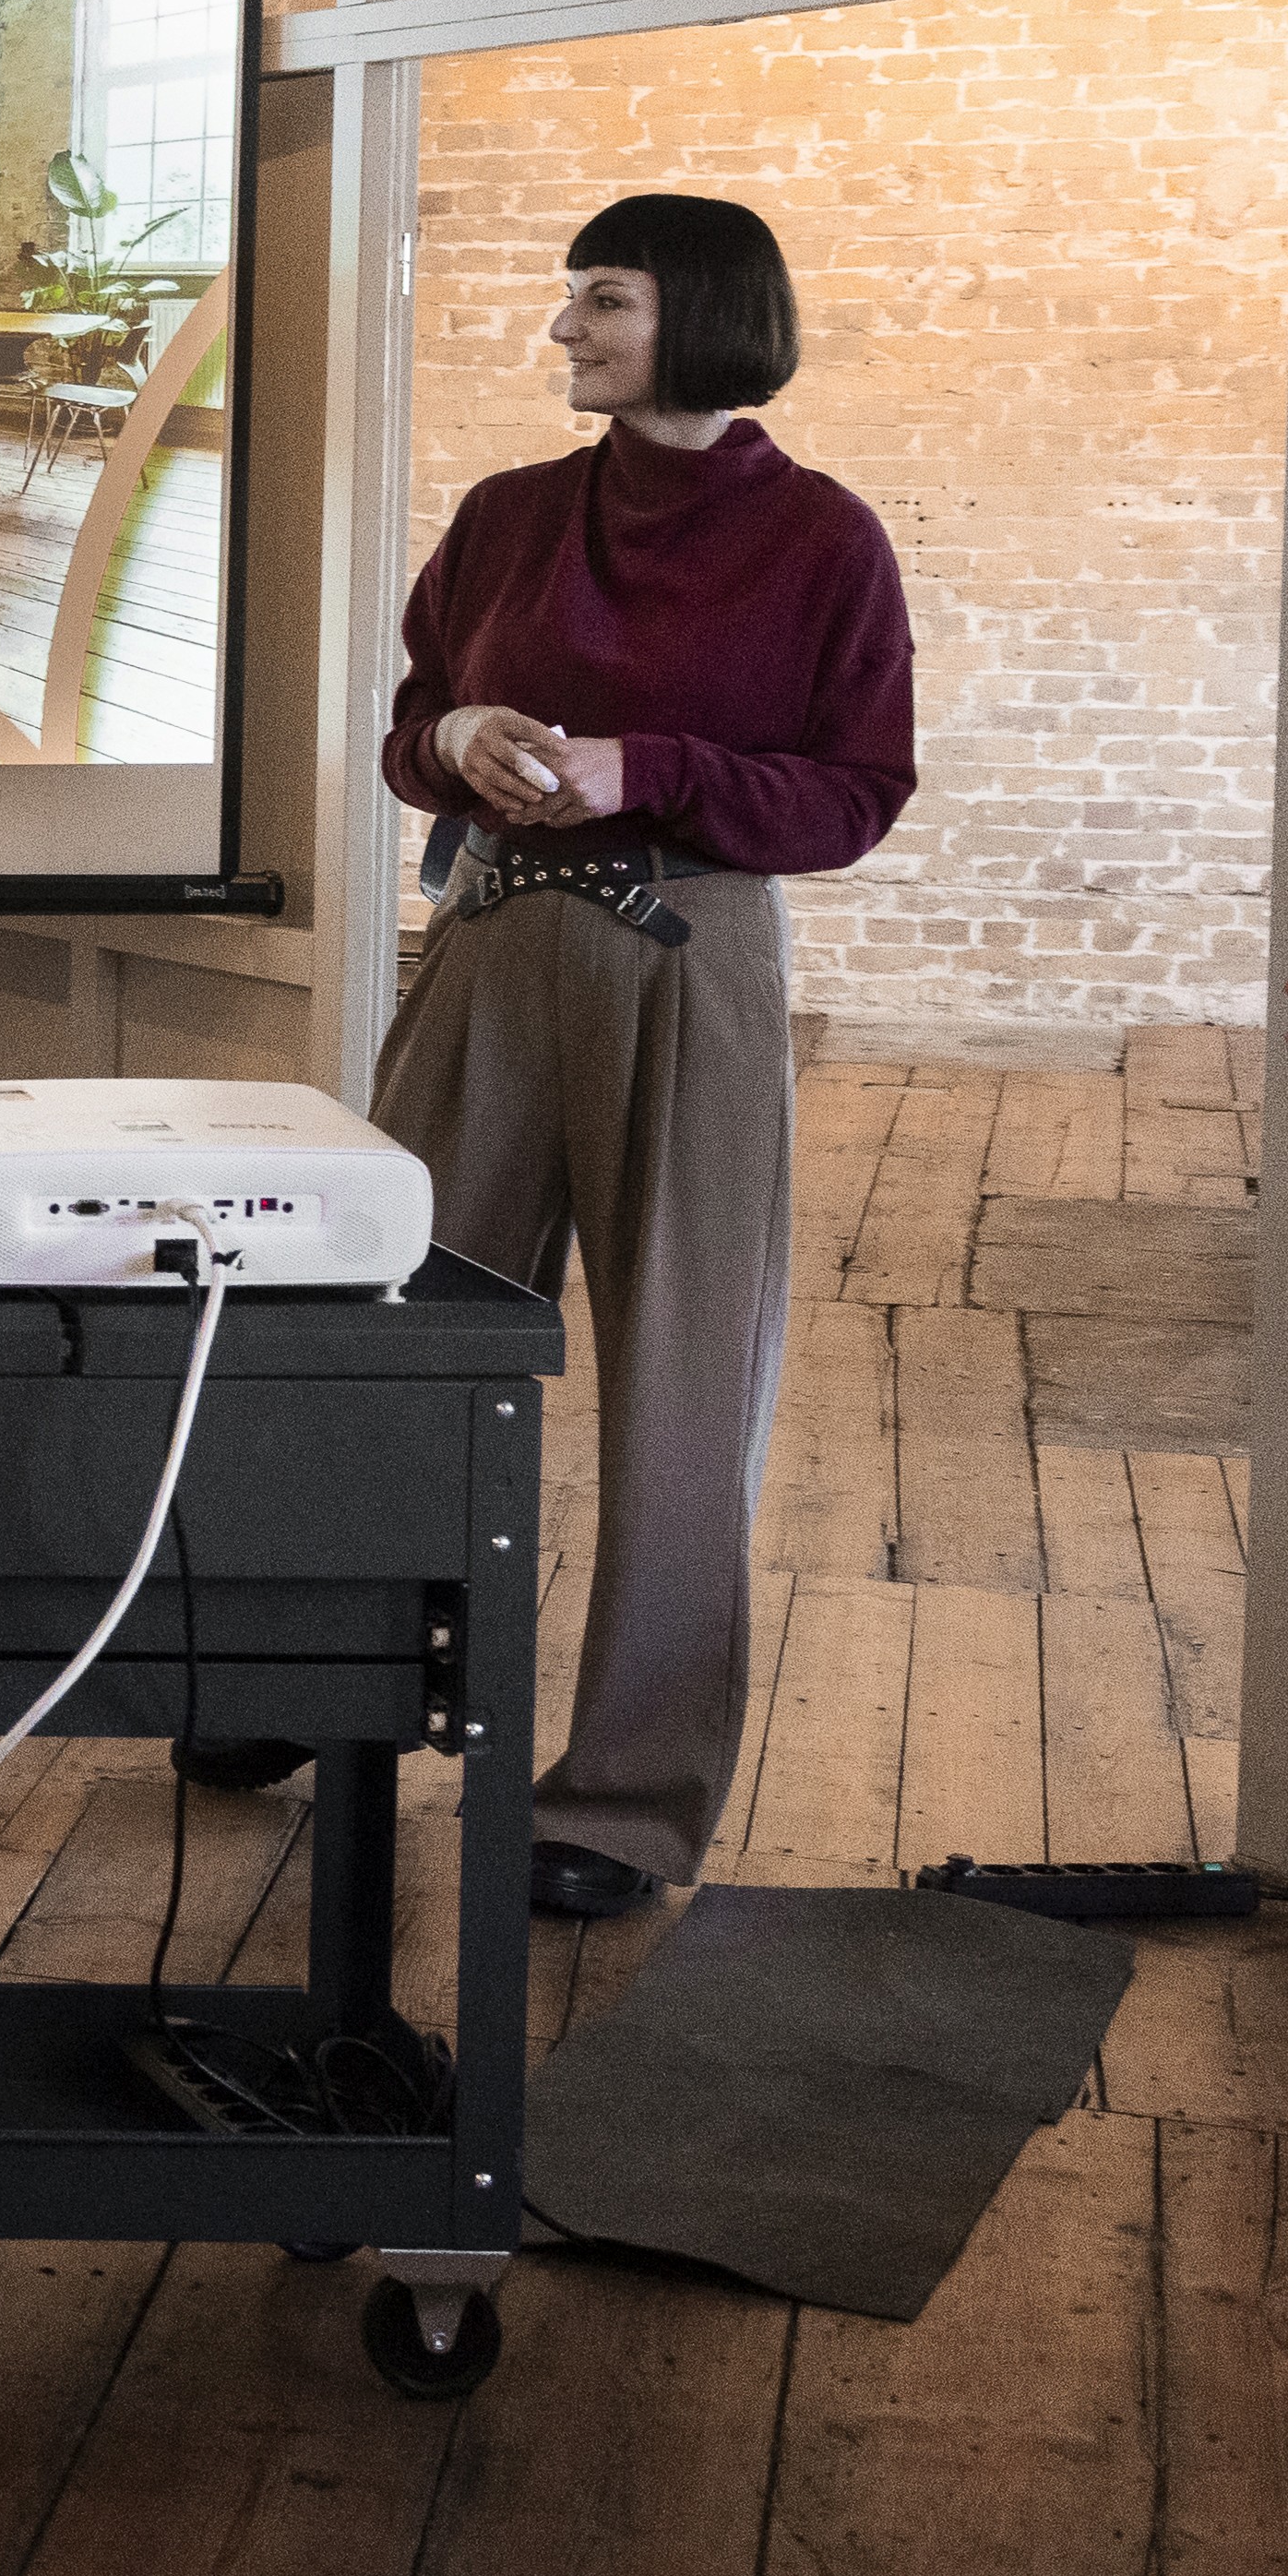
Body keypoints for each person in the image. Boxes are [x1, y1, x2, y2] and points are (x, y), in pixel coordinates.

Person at [340, 193, 918, 1918]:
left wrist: (643, 766)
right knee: (383, 1337)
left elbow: (855, 796)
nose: (564, 330)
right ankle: (320, 1682)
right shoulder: (509, 515)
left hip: (688, 957)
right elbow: (409, 729)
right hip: (490, 943)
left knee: (680, 1381)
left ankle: (623, 1801)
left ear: (703, 317)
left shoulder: (824, 538)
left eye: (602, 300)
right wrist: (458, 733)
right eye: (570, 297)